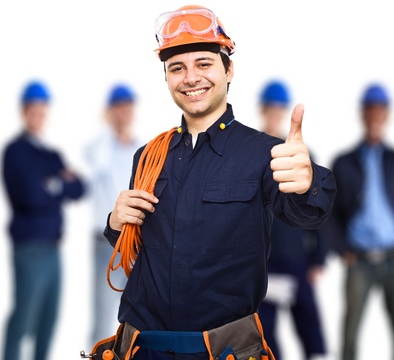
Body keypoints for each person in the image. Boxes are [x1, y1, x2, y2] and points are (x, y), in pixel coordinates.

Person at [85, 5, 336, 360]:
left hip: (223, 351)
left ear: (228, 69)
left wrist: (308, 181)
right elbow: (137, 248)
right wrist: (115, 223)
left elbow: (307, 212)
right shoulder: (148, 155)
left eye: (203, 63)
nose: (190, 78)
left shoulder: (265, 154)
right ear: (167, 78)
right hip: (141, 349)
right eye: (177, 68)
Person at [322, 83, 394, 360]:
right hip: (359, 260)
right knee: (350, 331)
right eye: (370, 112)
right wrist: (342, 250)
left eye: (380, 112)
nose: (375, 118)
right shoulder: (344, 163)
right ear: (362, 115)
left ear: (387, 116)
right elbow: (331, 214)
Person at [1, 80, 86, 360]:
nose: (38, 116)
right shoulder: (14, 152)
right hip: (30, 249)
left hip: (53, 249)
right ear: (24, 112)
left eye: (42, 111)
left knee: (48, 320)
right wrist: (58, 184)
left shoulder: (50, 154)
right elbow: (30, 196)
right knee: (24, 320)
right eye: (33, 111)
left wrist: (51, 185)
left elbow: (80, 188)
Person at [258, 80, 329, 360]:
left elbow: (321, 208)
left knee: (311, 330)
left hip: (298, 259)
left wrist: (319, 258)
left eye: (279, 110)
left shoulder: (303, 157)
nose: (274, 115)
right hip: (264, 261)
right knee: (264, 334)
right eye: (270, 109)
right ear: (263, 110)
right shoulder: (253, 155)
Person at [84, 83, 142, 346]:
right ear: (110, 112)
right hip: (106, 244)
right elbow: (96, 166)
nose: (124, 113)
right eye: (118, 108)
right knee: (102, 314)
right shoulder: (99, 147)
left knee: (138, 316)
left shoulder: (141, 148)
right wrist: (111, 131)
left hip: (136, 242)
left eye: (128, 108)